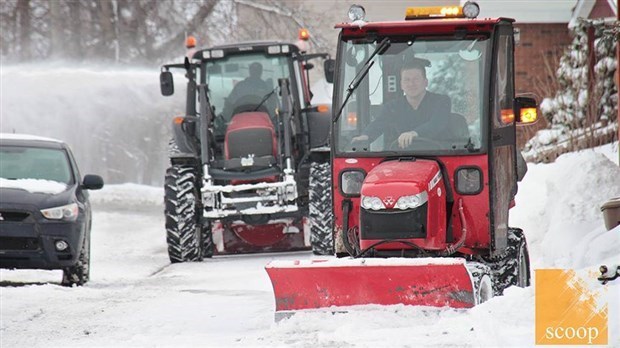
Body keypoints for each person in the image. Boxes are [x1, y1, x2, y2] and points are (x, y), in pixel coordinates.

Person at [352, 58, 452, 149]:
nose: (411, 84)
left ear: (425, 82)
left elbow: (436, 124)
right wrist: (365, 136)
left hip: (439, 156)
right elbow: (378, 124)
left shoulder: (441, 102)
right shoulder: (392, 107)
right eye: (407, 80)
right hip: (402, 157)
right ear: (401, 85)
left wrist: (414, 134)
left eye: (416, 79)